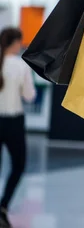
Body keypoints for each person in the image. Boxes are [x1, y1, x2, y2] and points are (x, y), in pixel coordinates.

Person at [0, 28, 35, 228]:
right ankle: (3, 206)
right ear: (15, 43)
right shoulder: (21, 66)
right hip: (13, 122)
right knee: (18, 165)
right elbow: (29, 95)